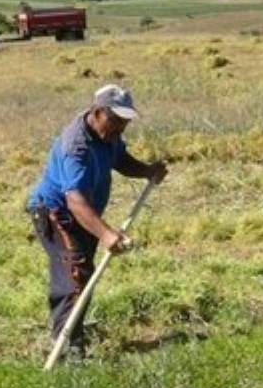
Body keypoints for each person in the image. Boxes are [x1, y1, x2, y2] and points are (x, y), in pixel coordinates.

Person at [27, 84, 167, 356]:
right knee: (74, 277)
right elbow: (74, 200)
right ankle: (66, 351)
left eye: (125, 123)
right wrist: (106, 234)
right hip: (56, 213)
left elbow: (121, 159)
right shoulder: (75, 145)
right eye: (115, 121)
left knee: (83, 276)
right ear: (98, 112)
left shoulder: (109, 136)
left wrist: (147, 170)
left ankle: (73, 337)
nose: (120, 129)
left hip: (84, 214)